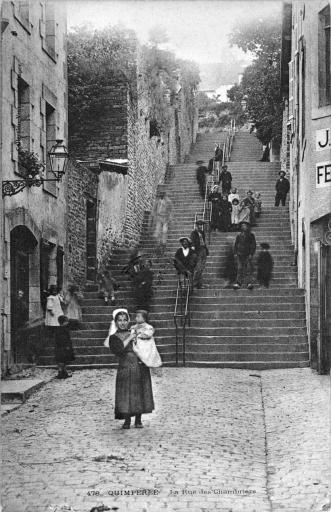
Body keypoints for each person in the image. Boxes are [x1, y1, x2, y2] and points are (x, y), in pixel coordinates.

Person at [107, 308, 154, 430]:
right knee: (126, 394)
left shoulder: (136, 331)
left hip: (139, 366)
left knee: (139, 392)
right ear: (116, 322)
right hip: (125, 367)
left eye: (124, 320)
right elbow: (118, 350)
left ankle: (138, 420)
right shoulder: (114, 337)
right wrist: (130, 337)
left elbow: (146, 343)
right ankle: (127, 420)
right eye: (119, 320)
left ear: (128, 321)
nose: (122, 323)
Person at [150, 184, 173, 255]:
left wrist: (169, 219)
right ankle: (158, 246)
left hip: (165, 219)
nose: (161, 195)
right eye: (160, 193)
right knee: (157, 232)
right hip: (158, 218)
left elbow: (170, 211)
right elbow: (154, 210)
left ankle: (163, 246)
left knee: (164, 232)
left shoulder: (168, 202)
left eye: (163, 193)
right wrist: (153, 217)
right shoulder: (157, 202)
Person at [233, 221, 256, 290]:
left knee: (248, 269)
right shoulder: (239, 236)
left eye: (245, 226)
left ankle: (249, 283)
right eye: (242, 226)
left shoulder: (251, 235)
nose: (243, 227)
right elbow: (236, 245)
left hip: (247, 254)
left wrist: (251, 254)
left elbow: (253, 245)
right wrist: (235, 253)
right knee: (239, 268)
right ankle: (238, 283)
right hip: (240, 254)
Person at [190, 220, 209, 289]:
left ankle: (199, 284)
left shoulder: (202, 232)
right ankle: (194, 284)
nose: (200, 226)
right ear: (196, 226)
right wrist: (193, 249)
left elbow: (203, 241)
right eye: (199, 225)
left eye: (201, 225)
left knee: (202, 267)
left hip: (203, 249)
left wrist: (205, 250)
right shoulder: (193, 233)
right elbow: (192, 242)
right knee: (198, 267)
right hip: (198, 251)